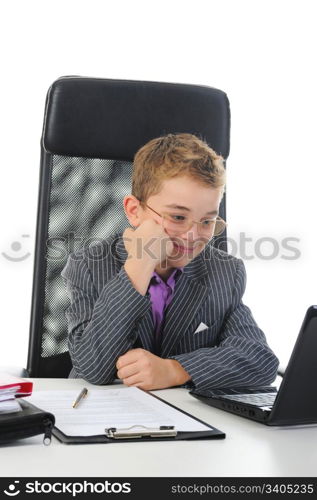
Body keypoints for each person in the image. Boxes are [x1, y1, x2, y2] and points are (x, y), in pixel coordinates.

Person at [61, 133, 279, 391]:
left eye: (208, 221)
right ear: (134, 211)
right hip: (102, 417)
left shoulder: (224, 272)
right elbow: (93, 367)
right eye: (178, 217)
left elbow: (260, 360)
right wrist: (140, 263)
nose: (193, 235)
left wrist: (175, 370)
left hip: (186, 421)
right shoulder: (88, 266)